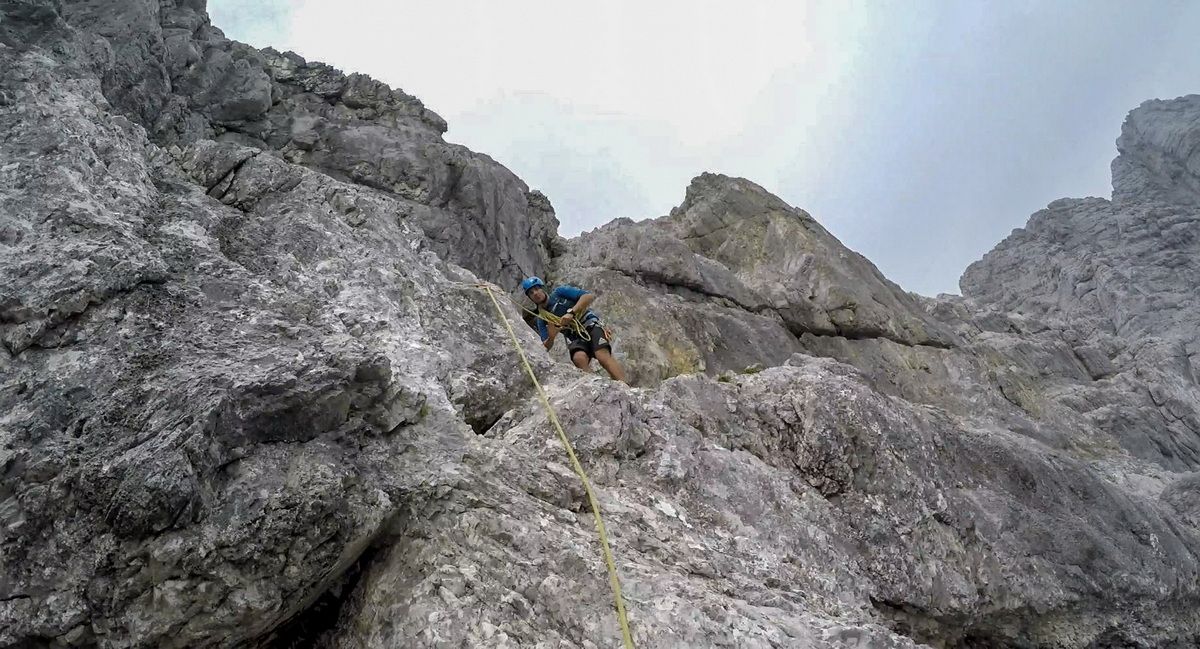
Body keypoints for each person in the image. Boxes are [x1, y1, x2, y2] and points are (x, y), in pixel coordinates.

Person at [521, 277, 627, 383]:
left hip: (590, 325)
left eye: (537, 289)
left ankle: (624, 385)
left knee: (602, 356)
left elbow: (588, 296)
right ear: (530, 298)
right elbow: (545, 347)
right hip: (576, 337)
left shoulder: (560, 292)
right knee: (578, 358)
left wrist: (572, 313)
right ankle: (595, 387)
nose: (535, 293)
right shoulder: (542, 318)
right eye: (531, 293)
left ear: (542, 288)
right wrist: (552, 337)